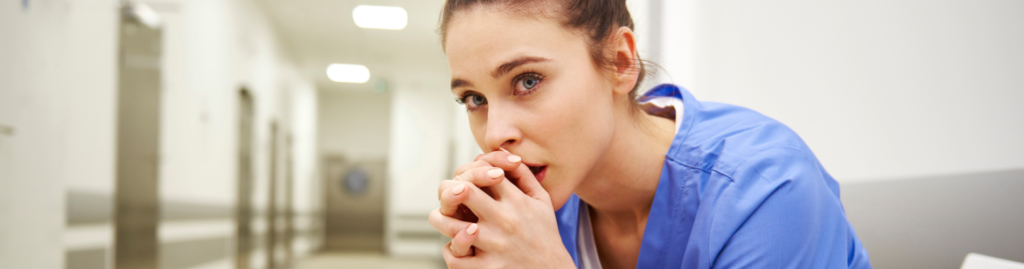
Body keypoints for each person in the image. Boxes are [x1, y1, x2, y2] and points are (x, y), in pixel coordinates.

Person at [427, 0, 873, 268]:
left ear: (621, 62)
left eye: (527, 81)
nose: (495, 134)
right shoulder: (532, 220)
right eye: (474, 99)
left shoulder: (767, 189)